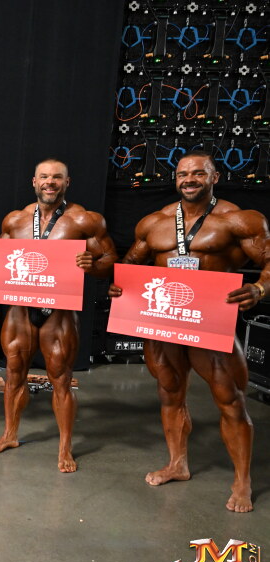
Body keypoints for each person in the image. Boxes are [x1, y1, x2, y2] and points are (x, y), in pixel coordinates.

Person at [109, 150, 269, 512]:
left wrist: (259, 288)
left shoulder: (237, 219)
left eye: (198, 173)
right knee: (169, 391)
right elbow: (129, 264)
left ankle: (242, 481)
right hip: (163, 319)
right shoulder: (155, 222)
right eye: (183, 174)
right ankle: (177, 464)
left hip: (209, 320)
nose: (189, 180)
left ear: (214, 177)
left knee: (230, 398)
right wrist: (119, 285)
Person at [0, 159, 118, 472]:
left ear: (67, 182)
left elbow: (110, 259)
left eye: (56, 177)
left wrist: (93, 265)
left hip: (59, 312)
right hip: (20, 310)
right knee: (14, 372)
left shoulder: (84, 219)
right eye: (44, 177)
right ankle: (10, 434)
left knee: (61, 378)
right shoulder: (16, 220)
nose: (50, 182)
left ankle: (65, 448)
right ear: (34, 182)